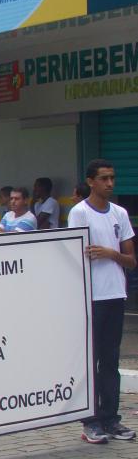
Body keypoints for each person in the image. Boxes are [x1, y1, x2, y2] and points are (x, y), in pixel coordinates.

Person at [68, 159, 137, 444]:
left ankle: (111, 418)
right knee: (91, 358)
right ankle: (91, 421)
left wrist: (111, 253)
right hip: (91, 297)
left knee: (110, 359)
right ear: (90, 181)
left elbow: (131, 260)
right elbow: (74, 255)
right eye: (103, 178)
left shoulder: (119, 213)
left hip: (114, 295)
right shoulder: (79, 213)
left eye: (112, 178)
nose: (109, 183)